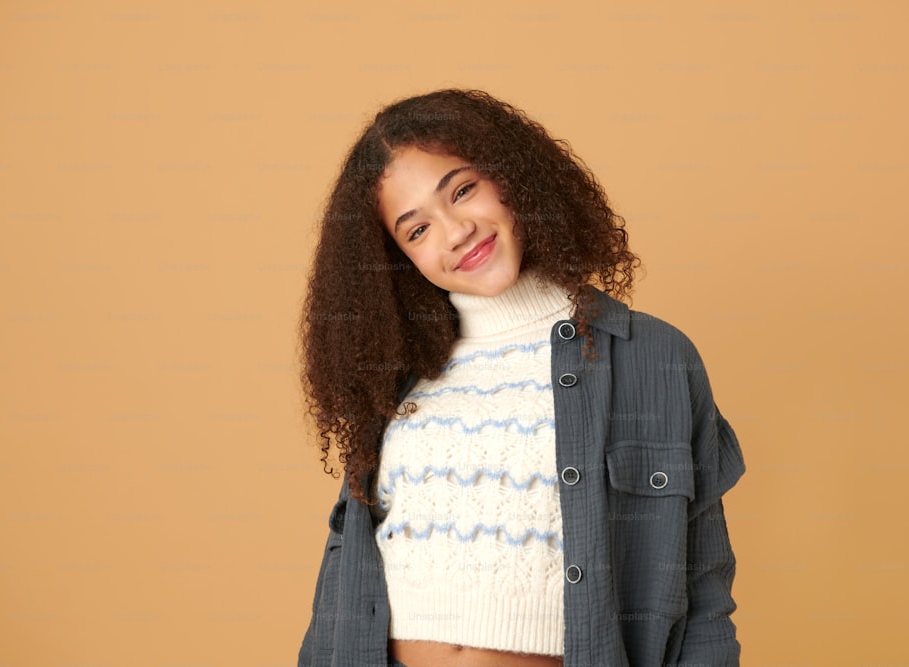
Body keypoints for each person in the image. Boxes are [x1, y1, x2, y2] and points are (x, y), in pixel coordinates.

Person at [296, 88, 747, 667]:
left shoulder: (653, 358)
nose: (455, 231)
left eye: (462, 190)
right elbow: (340, 585)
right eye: (416, 230)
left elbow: (705, 590)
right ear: (396, 262)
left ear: (512, 176)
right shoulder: (395, 381)